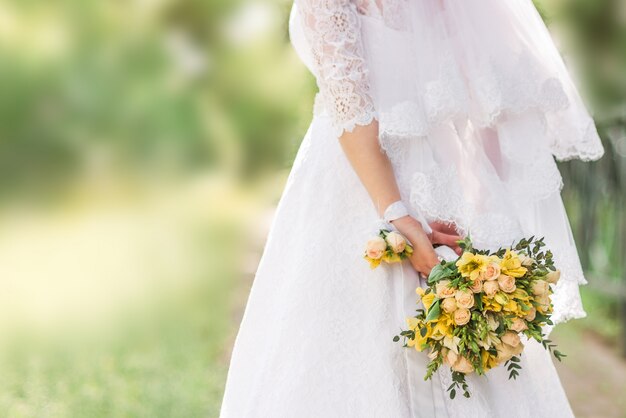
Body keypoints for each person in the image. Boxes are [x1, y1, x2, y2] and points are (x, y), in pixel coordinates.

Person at [220, 1, 604, 416]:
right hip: (439, 185)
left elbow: (352, 115)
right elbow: (481, 105)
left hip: (362, 184)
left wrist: (397, 215)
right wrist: (479, 219)